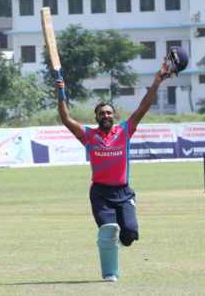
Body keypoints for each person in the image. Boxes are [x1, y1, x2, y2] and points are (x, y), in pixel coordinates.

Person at [55, 70, 170, 282]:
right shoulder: (88, 135)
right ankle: (110, 273)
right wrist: (60, 92)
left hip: (124, 193)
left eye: (109, 113)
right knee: (108, 231)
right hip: (101, 194)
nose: (105, 116)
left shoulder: (125, 130)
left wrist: (156, 83)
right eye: (101, 113)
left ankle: (117, 240)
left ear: (114, 116)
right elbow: (65, 119)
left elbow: (143, 107)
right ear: (96, 117)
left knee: (129, 235)